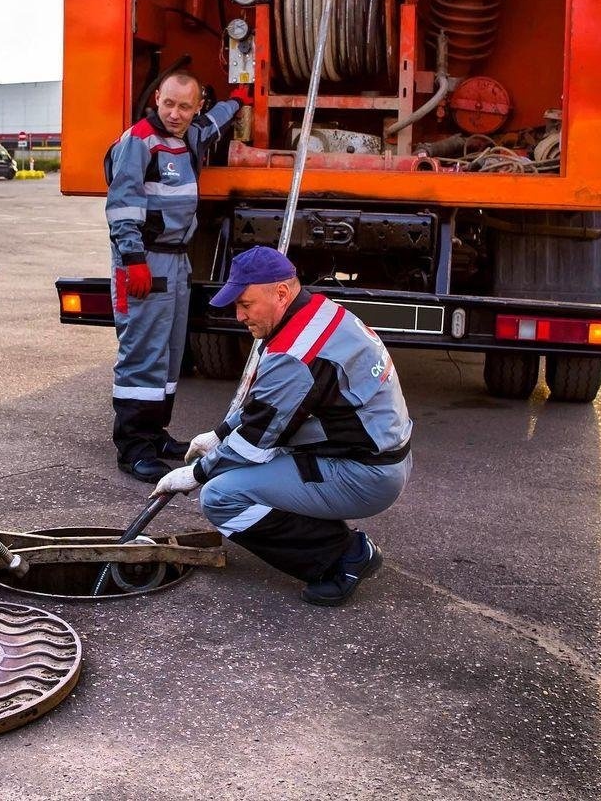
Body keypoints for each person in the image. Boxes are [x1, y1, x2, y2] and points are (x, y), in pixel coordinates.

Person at [153, 246, 413, 606]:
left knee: (220, 496)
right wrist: (219, 434)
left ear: (280, 293)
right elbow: (267, 404)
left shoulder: (295, 352)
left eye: (246, 304)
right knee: (241, 467)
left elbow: (255, 441)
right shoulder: (314, 313)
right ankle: (331, 539)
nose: (239, 316)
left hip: (365, 474)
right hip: (370, 452)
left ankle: (345, 556)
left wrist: (196, 474)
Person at [105, 70, 249, 483]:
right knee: (142, 356)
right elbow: (122, 206)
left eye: (185, 106)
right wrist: (133, 260)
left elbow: (214, 122)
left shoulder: (190, 136)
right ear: (157, 99)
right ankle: (133, 448)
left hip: (177, 260)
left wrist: (237, 101)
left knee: (168, 355)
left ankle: (154, 433)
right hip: (146, 261)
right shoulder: (138, 141)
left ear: (195, 107)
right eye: (168, 104)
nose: (175, 113)